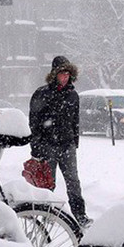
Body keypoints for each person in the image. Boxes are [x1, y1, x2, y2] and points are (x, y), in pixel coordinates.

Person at [29, 56, 92, 228]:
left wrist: (74, 141)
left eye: (67, 74)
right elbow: (34, 122)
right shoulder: (42, 94)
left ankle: (80, 215)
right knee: (48, 182)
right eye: (61, 74)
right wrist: (36, 146)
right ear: (54, 74)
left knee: (73, 180)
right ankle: (45, 214)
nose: (65, 77)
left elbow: (75, 120)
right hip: (47, 145)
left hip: (67, 145)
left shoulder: (73, 95)